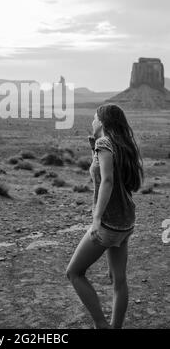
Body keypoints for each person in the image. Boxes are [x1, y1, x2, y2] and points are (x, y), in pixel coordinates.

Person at [66, 104, 143, 329]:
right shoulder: (120, 144)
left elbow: (107, 181)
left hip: (109, 223)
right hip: (126, 221)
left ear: (102, 121)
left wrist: (96, 219)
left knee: (74, 272)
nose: (92, 120)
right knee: (118, 280)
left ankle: (101, 325)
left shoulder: (104, 143)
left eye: (94, 117)